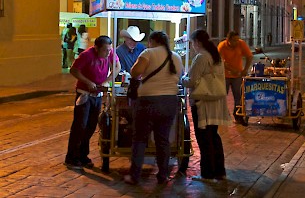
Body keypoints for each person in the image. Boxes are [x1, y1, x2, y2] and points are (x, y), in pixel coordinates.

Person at [124, 31, 183, 185]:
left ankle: (134, 175)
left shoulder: (148, 53)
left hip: (148, 101)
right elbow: (179, 76)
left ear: (152, 41)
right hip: (170, 101)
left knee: (140, 139)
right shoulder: (175, 57)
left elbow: (135, 72)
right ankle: (162, 176)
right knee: (163, 140)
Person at [182, 29, 231, 182]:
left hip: (203, 103)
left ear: (198, 42)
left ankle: (207, 173)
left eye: (192, 43)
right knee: (214, 136)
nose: (192, 46)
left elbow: (191, 80)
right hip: (215, 102)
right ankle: (219, 171)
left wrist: (183, 78)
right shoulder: (215, 55)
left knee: (204, 138)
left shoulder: (201, 57)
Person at [64, 35, 121, 170]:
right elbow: (74, 70)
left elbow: (117, 66)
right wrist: (88, 82)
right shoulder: (87, 55)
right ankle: (72, 157)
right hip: (84, 94)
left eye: (109, 50)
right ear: (96, 48)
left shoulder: (110, 53)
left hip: (97, 94)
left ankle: (83, 155)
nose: (108, 53)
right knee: (80, 126)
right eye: (105, 50)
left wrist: (106, 81)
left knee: (91, 126)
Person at [218, 31, 253, 125]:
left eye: (237, 40)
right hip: (224, 75)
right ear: (228, 40)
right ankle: (223, 115)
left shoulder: (241, 43)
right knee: (222, 95)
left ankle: (238, 115)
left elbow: (249, 56)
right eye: (234, 40)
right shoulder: (222, 46)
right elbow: (220, 61)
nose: (236, 42)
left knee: (238, 96)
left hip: (237, 75)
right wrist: (232, 70)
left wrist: (245, 69)